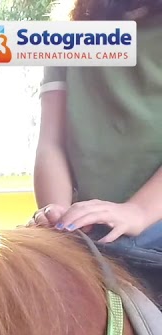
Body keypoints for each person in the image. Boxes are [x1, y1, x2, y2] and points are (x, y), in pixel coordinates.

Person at [30, 0, 162, 255]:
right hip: (87, 228)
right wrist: (58, 215)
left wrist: (138, 211)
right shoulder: (68, 36)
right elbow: (51, 143)